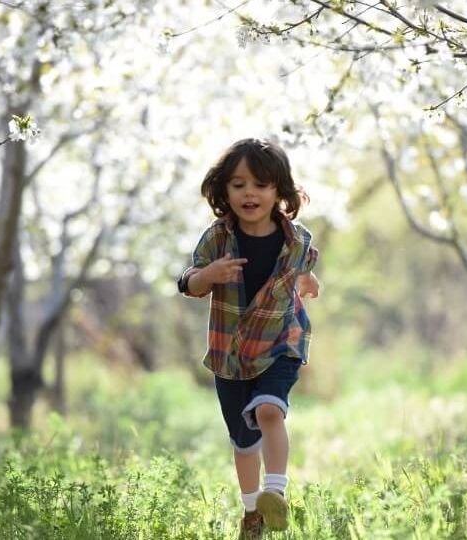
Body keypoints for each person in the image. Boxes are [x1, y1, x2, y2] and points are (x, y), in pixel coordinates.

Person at [177, 138, 320, 540]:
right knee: (243, 441)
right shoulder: (217, 239)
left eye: (260, 184)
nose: (249, 193)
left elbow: (301, 270)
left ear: (279, 191)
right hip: (232, 353)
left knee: (269, 412)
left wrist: (309, 283)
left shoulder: (297, 240)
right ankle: (252, 511)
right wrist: (207, 276)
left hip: (281, 342)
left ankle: (275, 493)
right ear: (224, 192)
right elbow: (188, 281)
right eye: (238, 185)